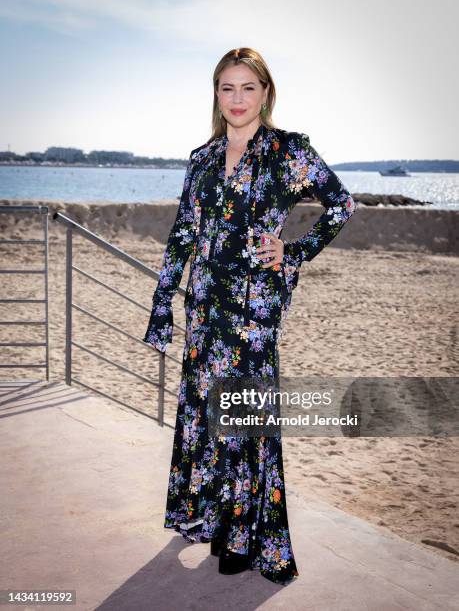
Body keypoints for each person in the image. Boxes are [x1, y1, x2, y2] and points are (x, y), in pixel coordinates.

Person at [143, 47, 357, 586]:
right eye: (226, 88)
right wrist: (162, 301)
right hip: (205, 306)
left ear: (266, 93)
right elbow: (184, 235)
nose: (237, 99)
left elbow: (342, 204)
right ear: (216, 95)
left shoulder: (289, 151)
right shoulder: (201, 158)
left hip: (254, 312)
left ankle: (245, 538)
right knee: (203, 419)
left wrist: (295, 251)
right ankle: (210, 518)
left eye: (248, 88)